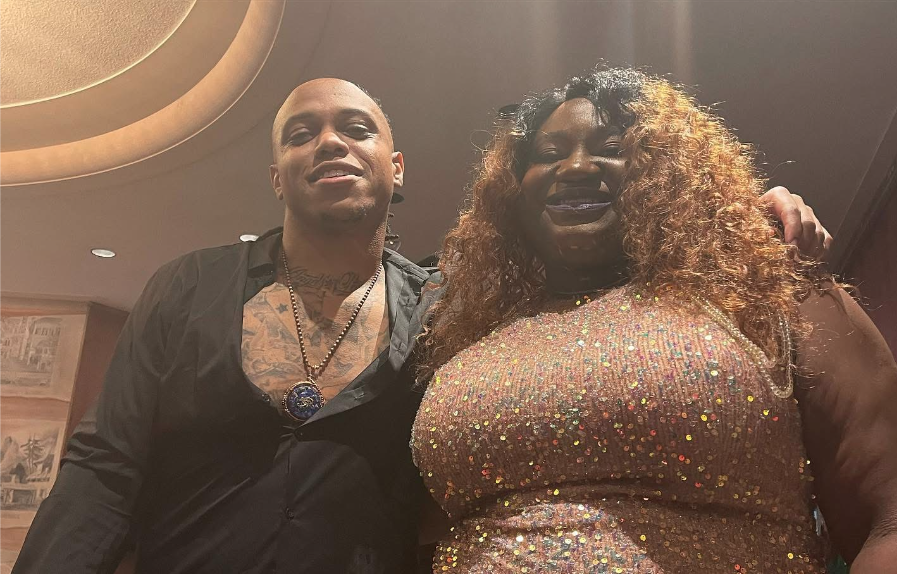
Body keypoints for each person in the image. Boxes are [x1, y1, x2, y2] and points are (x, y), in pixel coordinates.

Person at [13, 77, 830, 574]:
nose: (329, 143)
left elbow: (594, 268)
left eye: (355, 128)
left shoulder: (455, 307)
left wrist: (737, 216)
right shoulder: (185, 286)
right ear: (277, 176)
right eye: (301, 133)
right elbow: (102, 468)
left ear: (395, 169)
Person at [412, 67, 897, 573]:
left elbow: (886, 520)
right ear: (514, 190)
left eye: (612, 147)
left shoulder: (766, 291)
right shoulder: (464, 334)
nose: (575, 167)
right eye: (548, 154)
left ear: (668, 171)